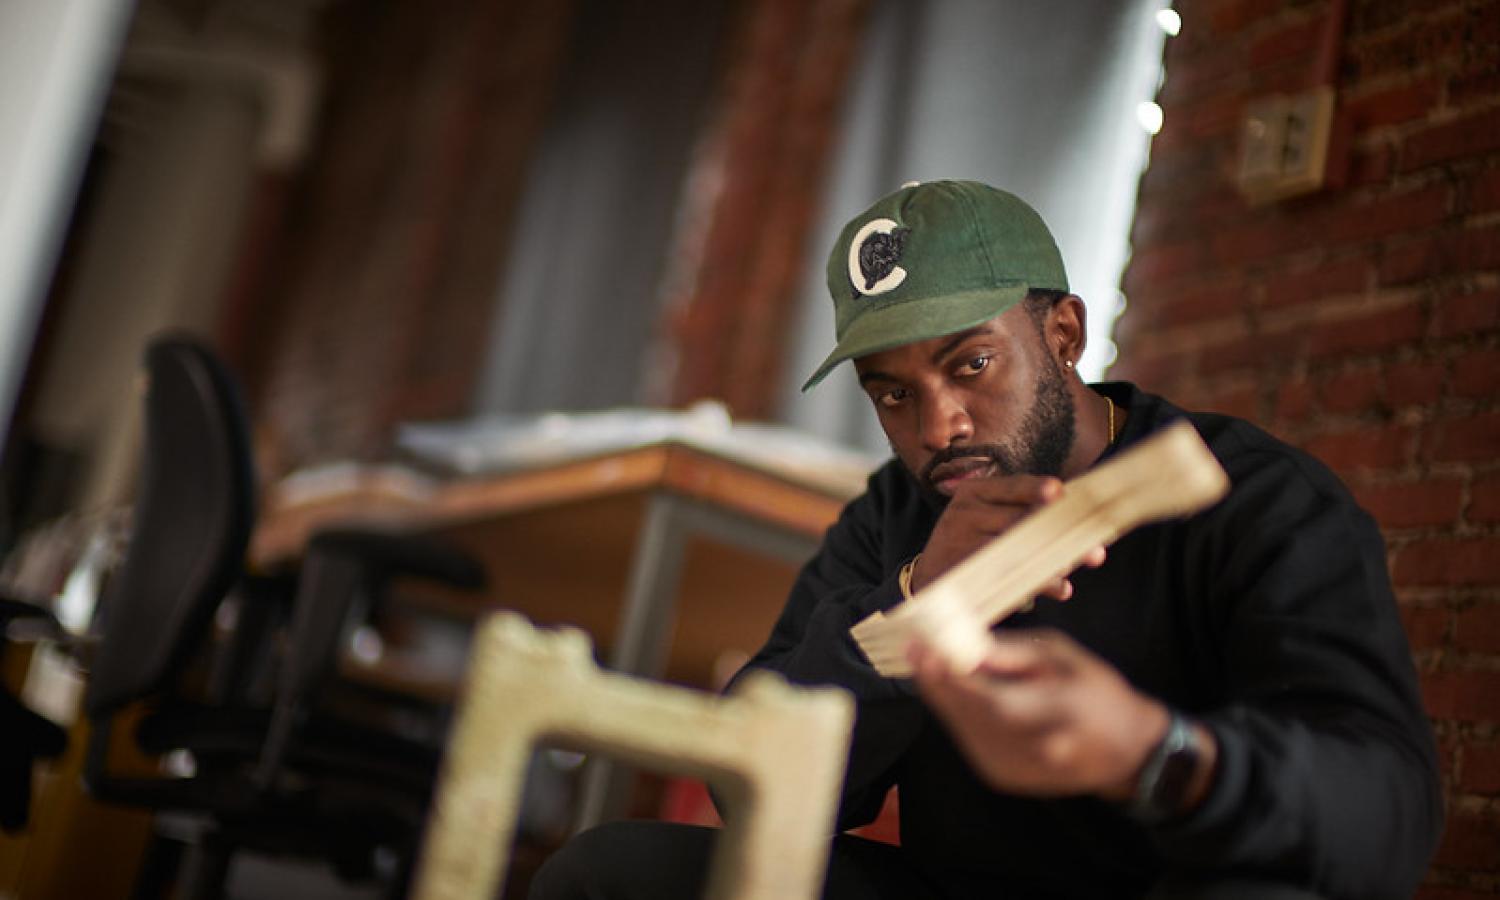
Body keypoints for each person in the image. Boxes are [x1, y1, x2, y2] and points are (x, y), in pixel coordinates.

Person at [530, 180, 1443, 899]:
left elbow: (1388, 819)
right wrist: (914, 600)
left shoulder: (1251, 500)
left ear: (1063, 333)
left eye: (971, 363)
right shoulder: (898, 514)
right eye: (892, 393)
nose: (939, 427)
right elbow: (749, 777)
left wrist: (1153, 750)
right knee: (605, 871)